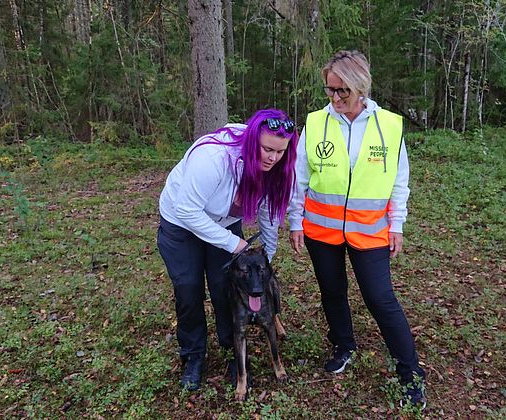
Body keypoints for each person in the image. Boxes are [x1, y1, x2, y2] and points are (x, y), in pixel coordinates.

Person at [287, 50, 427, 408]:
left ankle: (408, 371)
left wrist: (397, 224)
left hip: (370, 231)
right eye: (329, 90)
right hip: (321, 230)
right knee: (332, 292)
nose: (334, 98)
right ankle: (344, 344)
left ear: (360, 86)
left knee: (380, 298)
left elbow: (399, 181)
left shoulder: (389, 126)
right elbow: (299, 178)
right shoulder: (317, 122)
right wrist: (295, 220)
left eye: (342, 91)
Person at [157, 109, 297, 391]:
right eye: (267, 149)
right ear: (252, 140)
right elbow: (187, 210)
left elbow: (269, 213)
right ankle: (194, 355)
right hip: (181, 221)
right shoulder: (214, 158)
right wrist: (233, 243)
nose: (273, 157)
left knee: (227, 285)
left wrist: (266, 256)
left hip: (224, 221)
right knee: (189, 287)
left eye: (280, 152)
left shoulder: (275, 168)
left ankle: (233, 349)